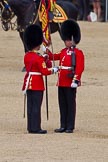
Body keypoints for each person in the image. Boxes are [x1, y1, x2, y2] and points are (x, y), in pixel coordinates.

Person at [45, 19, 84, 133]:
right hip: (61, 81)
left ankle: (70, 126)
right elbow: (53, 56)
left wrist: (76, 80)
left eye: (67, 40)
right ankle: (63, 125)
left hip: (70, 81)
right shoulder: (63, 51)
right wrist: (46, 50)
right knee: (62, 105)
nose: (66, 42)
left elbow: (80, 67)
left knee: (70, 105)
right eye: (65, 40)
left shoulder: (78, 53)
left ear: (72, 40)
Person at [22, 24, 58, 134]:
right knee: (36, 107)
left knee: (30, 106)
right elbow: (44, 71)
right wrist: (54, 69)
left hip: (29, 83)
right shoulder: (38, 58)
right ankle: (36, 128)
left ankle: (30, 127)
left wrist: (44, 58)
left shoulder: (27, 56)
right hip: (37, 84)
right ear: (37, 44)